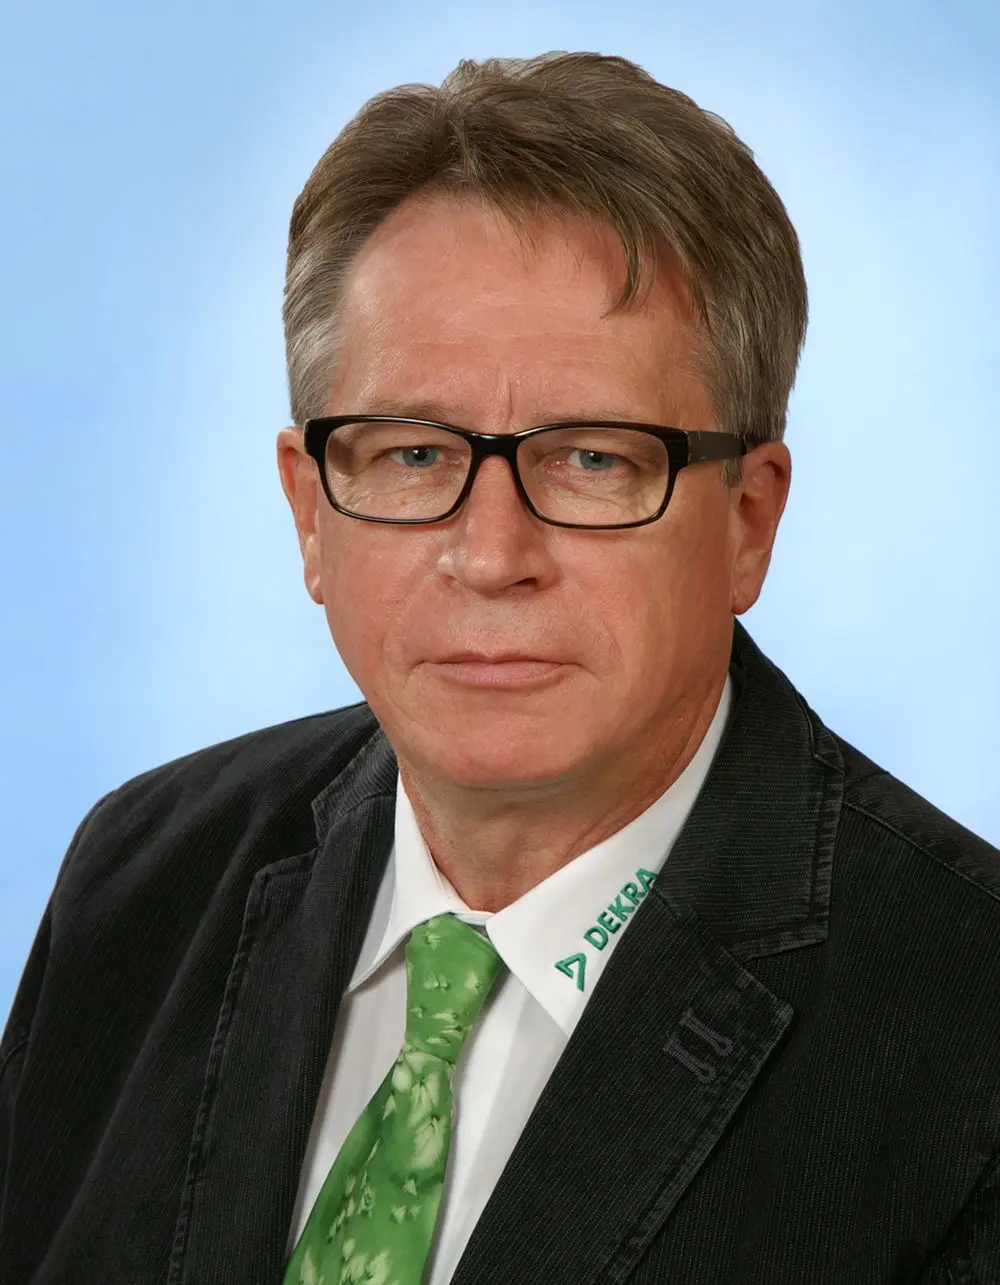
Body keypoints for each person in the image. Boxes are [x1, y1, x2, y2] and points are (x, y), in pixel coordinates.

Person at [1, 51, 998, 1285]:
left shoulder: (968, 1041)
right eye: (412, 453)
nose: (490, 555)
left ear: (748, 518)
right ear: (310, 511)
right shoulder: (141, 883)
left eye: (593, 459)